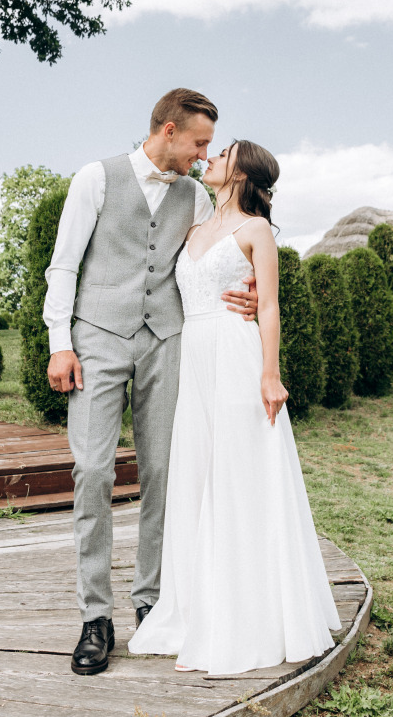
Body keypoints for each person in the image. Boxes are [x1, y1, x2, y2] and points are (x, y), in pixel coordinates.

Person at [44, 89, 258, 676]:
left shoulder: (194, 195)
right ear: (168, 131)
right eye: (199, 143)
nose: (203, 155)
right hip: (96, 339)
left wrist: (256, 288)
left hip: (168, 339)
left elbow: (231, 247)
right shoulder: (96, 178)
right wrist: (59, 342)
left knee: (164, 469)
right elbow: (64, 263)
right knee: (92, 469)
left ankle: (152, 599)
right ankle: (95, 615)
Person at [129, 140, 341, 674]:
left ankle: (250, 613)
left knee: (239, 476)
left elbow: (267, 305)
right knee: (196, 477)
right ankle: (196, 604)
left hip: (235, 353)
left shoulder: (256, 230)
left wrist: (269, 374)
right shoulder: (195, 225)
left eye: (222, 153)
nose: (211, 157)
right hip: (192, 356)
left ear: (242, 172)